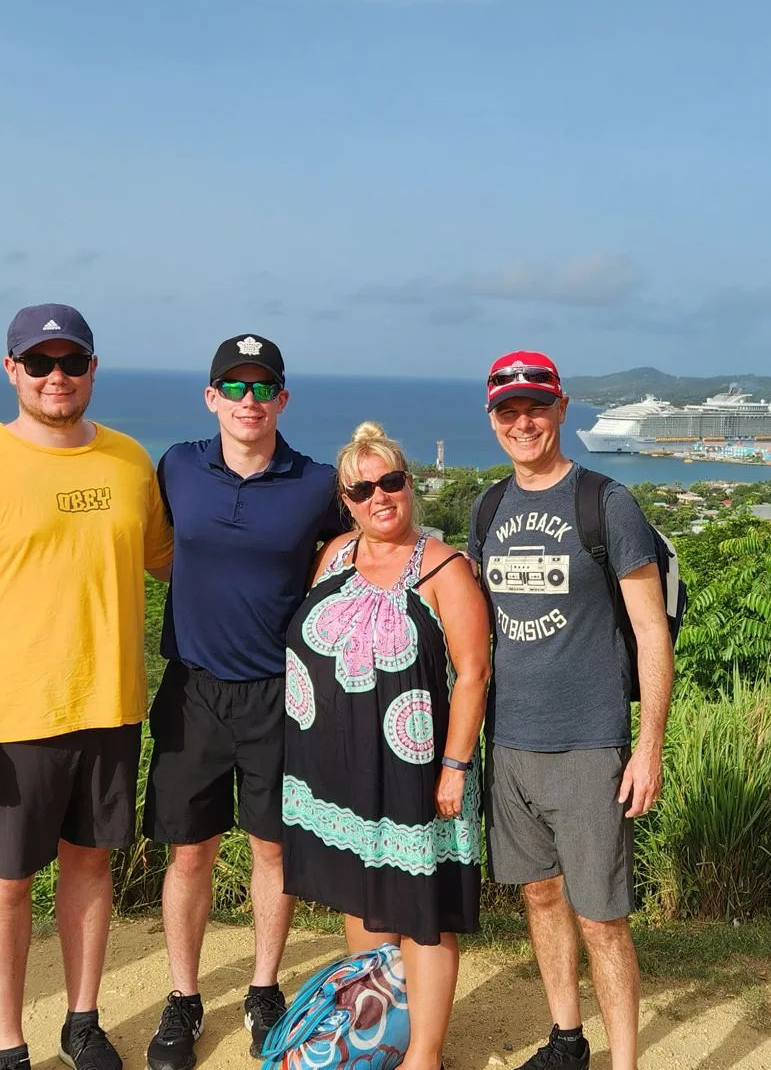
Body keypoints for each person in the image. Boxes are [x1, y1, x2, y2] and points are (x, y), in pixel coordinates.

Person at [0, 304, 173, 1070]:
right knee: (7, 878)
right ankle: (6, 1044)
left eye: (72, 362)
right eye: (40, 362)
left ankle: (82, 1020)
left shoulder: (128, 461)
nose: (57, 377)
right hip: (10, 717)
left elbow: (175, 561)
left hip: (112, 704)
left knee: (91, 864)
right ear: (11, 369)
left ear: (93, 368)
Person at [143, 333, 350, 1070]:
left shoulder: (316, 482)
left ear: (283, 399)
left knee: (272, 846)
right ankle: (183, 997)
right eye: (234, 387)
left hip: (280, 693)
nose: (249, 401)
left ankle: (263, 988)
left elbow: (359, 549)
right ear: (211, 398)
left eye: (263, 388)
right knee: (190, 850)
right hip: (193, 686)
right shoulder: (176, 466)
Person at [468, 351, 674, 1070]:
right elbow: (477, 635)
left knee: (604, 918)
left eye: (535, 406)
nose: (522, 422)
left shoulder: (606, 502)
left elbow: (651, 629)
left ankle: (625, 1062)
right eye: (507, 411)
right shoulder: (487, 508)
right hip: (512, 741)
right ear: (492, 418)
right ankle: (566, 1040)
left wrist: (648, 746)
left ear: (562, 408)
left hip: (590, 743)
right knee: (542, 895)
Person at [280, 422, 490, 1070]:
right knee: (364, 902)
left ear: (410, 483)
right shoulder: (337, 553)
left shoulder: (444, 567)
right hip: (341, 772)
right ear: (345, 499)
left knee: (423, 910)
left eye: (391, 481)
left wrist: (454, 766)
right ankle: (379, 1035)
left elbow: (475, 671)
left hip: (419, 770)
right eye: (362, 487)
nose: (379, 496)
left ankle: (423, 1055)